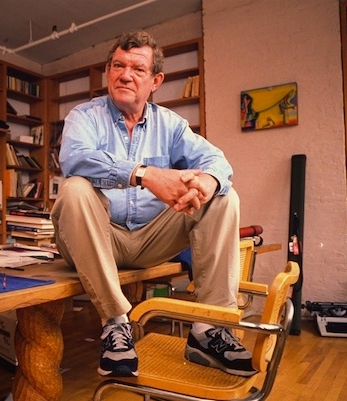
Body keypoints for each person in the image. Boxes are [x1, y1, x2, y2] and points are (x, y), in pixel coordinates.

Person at [51, 31, 255, 378]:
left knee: (223, 196)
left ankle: (209, 329)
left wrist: (208, 180)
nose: (125, 75)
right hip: (98, 237)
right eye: (118, 66)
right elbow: (74, 159)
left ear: (155, 81)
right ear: (108, 71)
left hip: (151, 239)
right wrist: (145, 174)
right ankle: (115, 323)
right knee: (74, 189)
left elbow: (217, 161)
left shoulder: (170, 125)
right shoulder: (84, 116)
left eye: (137, 69)